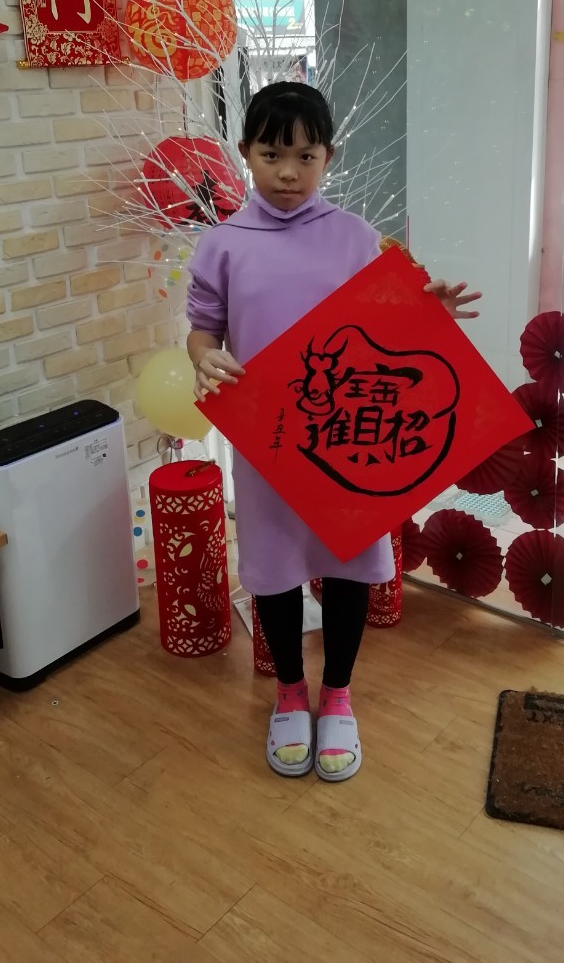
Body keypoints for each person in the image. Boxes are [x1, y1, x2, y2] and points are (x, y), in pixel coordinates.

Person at [185, 82, 481, 782]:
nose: (289, 173)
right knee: (274, 568)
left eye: (306, 156)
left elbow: (391, 324)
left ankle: (338, 693)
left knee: (348, 561)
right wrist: (204, 358)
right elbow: (202, 330)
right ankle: (291, 691)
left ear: (329, 157)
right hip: (268, 441)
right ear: (245, 153)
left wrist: (429, 311)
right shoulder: (223, 244)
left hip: (349, 438)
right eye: (272, 155)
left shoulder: (355, 236)